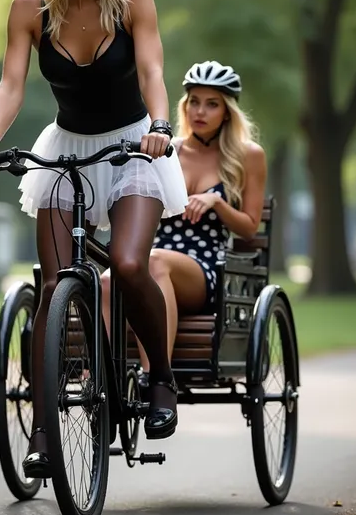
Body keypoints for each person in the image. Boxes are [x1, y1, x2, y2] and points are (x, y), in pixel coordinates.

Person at [0, 0, 188, 478]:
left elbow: (153, 71)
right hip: (66, 148)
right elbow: (11, 84)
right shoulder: (28, 9)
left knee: (130, 262)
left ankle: (161, 379)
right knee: (52, 285)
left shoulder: (135, 1)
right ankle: (43, 432)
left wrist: (161, 126)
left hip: (134, 146)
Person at [101, 60, 267, 395]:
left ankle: (155, 380)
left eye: (212, 104)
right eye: (194, 101)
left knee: (155, 262)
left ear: (227, 112)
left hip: (206, 267)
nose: (200, 111)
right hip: (153, 256)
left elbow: (250, 228)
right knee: (107, 279)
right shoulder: (165, 149)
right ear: (184, 105)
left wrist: (216, 203)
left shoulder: (248, 155)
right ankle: (102, 380)